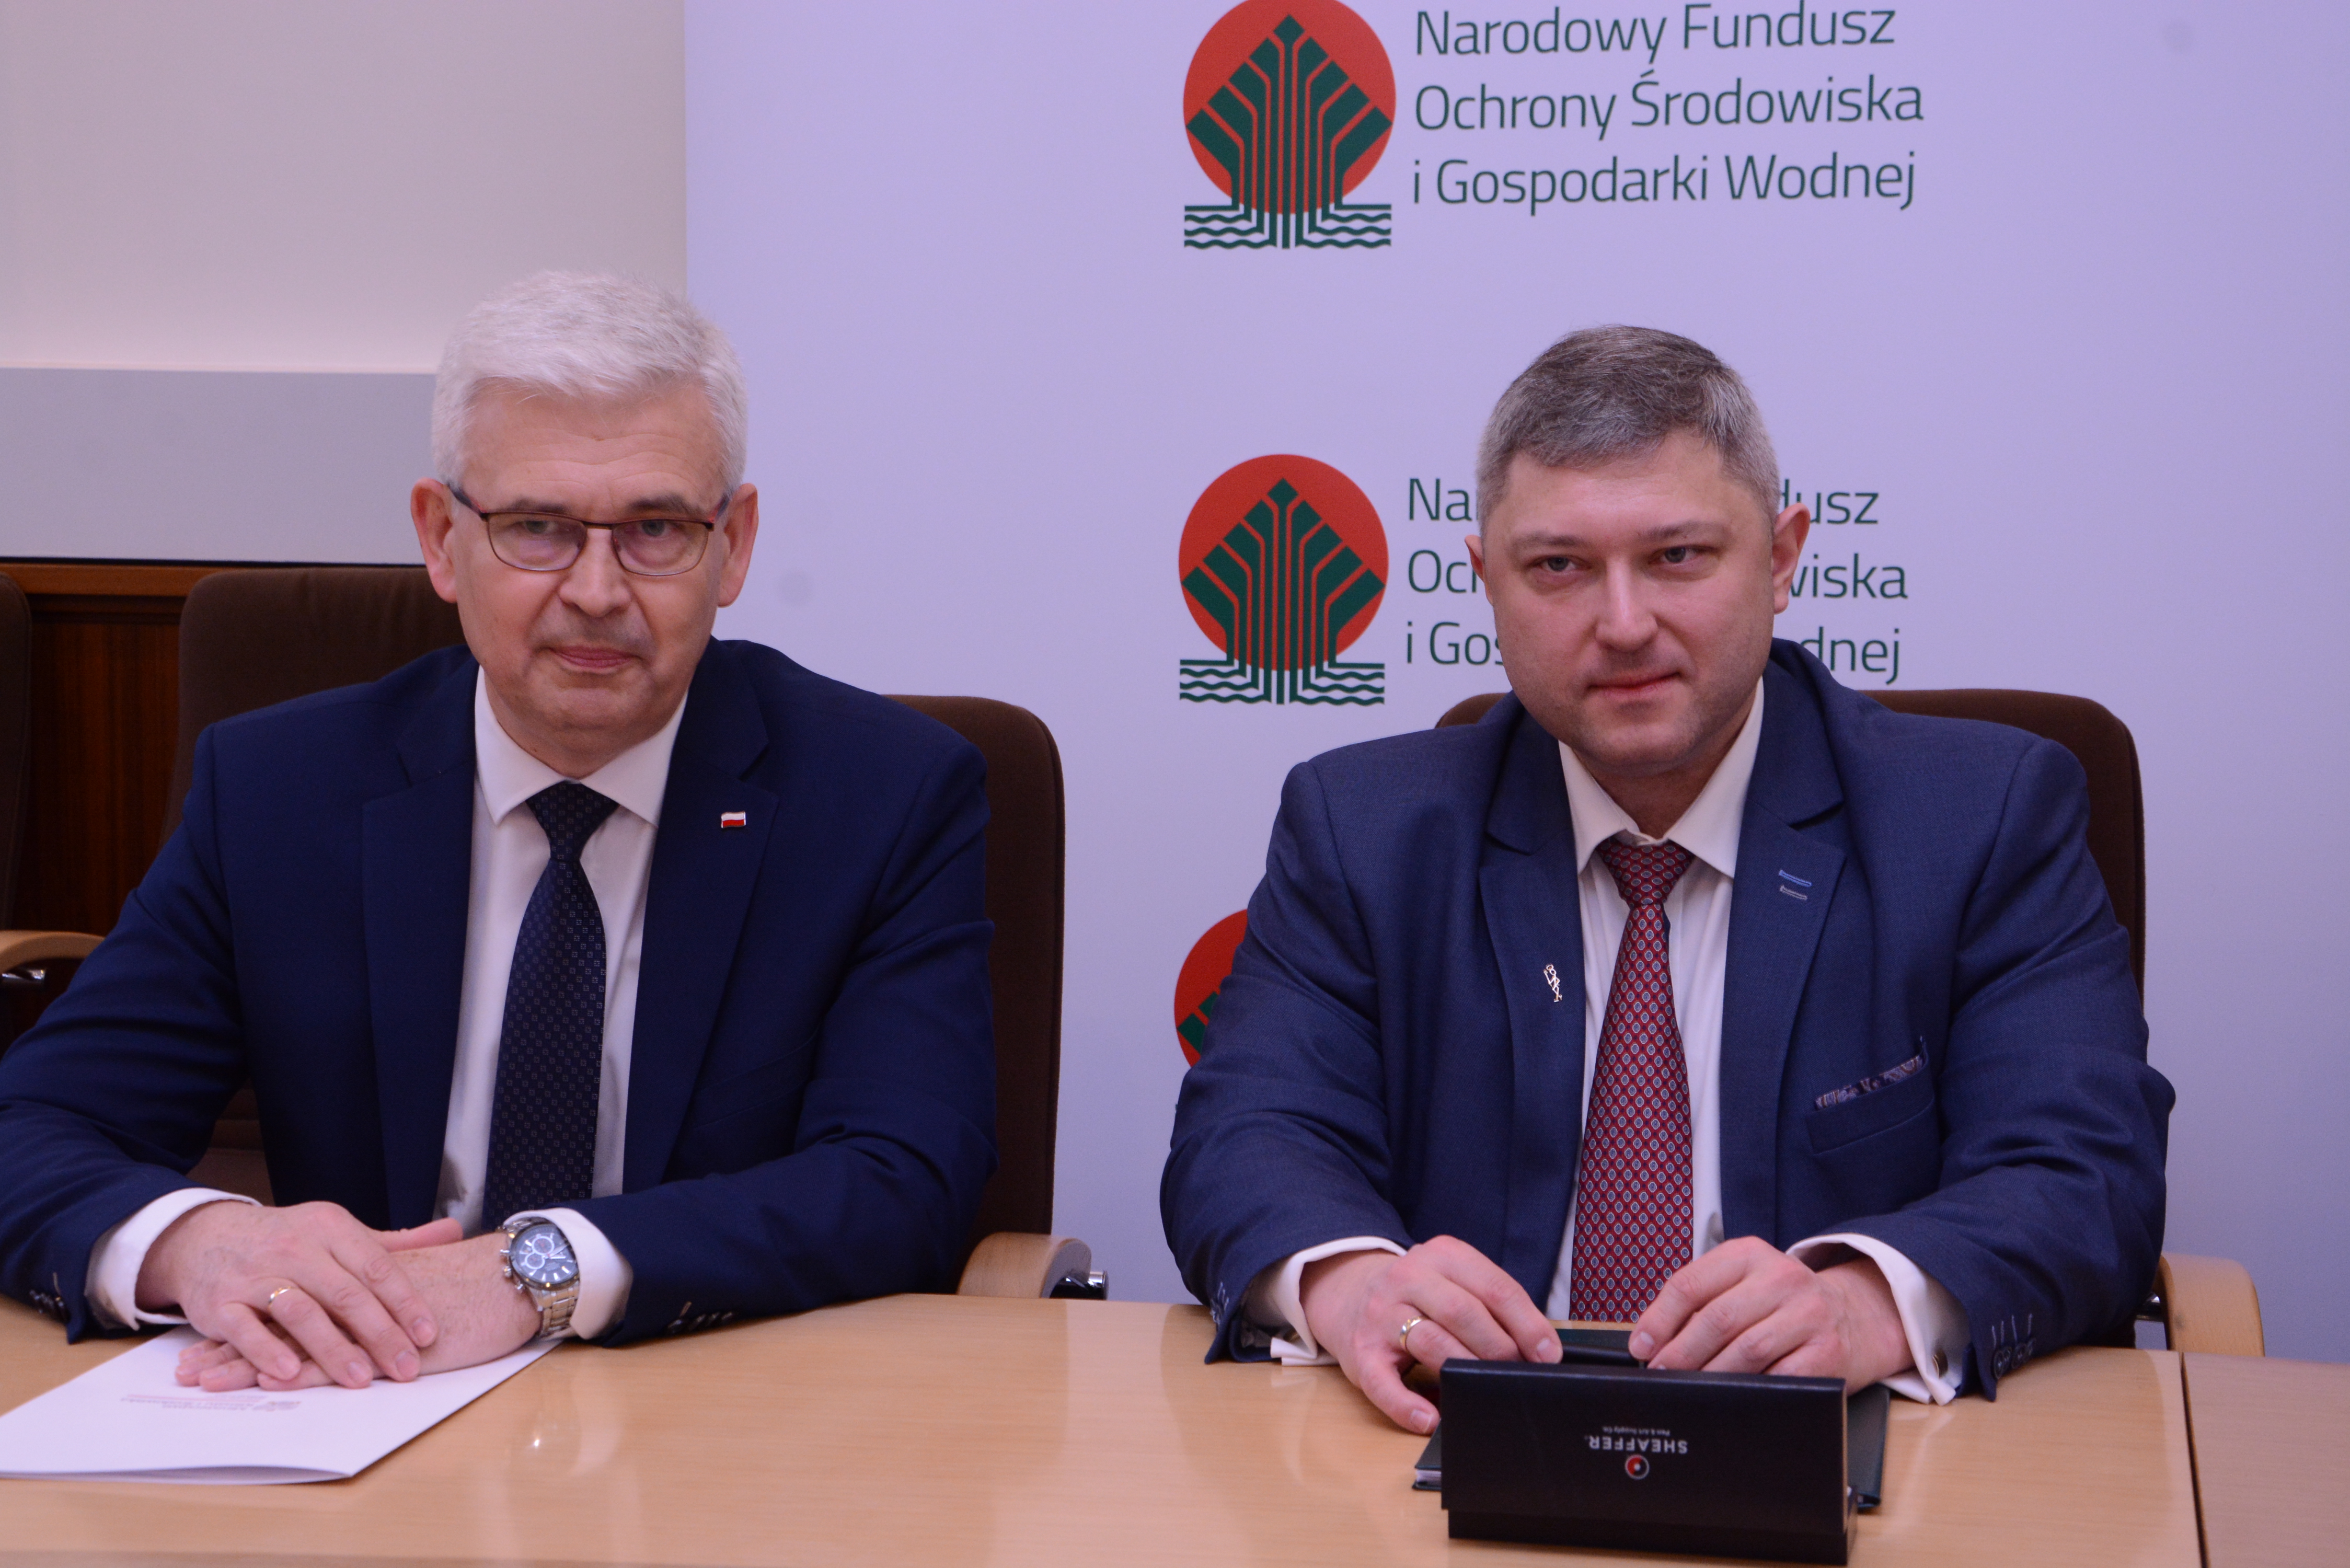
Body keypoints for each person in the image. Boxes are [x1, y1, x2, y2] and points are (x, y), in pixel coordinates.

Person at [1161, 326, 2172, 1434]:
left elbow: (2083, 1170)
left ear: (1781, 558)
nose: (1624, 624)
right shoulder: (1362, 831)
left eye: (1678, 557)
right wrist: (1355, 1288)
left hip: (1845, 1449)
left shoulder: (1981, 818)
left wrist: (1868, 1303)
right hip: (1454, 1446)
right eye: (1558, 567)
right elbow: (1245, 1140)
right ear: (1485, 582)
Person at [0, 273, 997, 1391]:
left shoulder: (882, 799)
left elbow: (904, 1179)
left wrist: (533, 1271)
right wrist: (200, 1242)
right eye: (537, 528)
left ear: (735, 544)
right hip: (361, 1405)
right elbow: (32, 1123)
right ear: (441, 539)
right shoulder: (281, 792)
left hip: (710, 1396)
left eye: (656, 529)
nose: (597, 590)